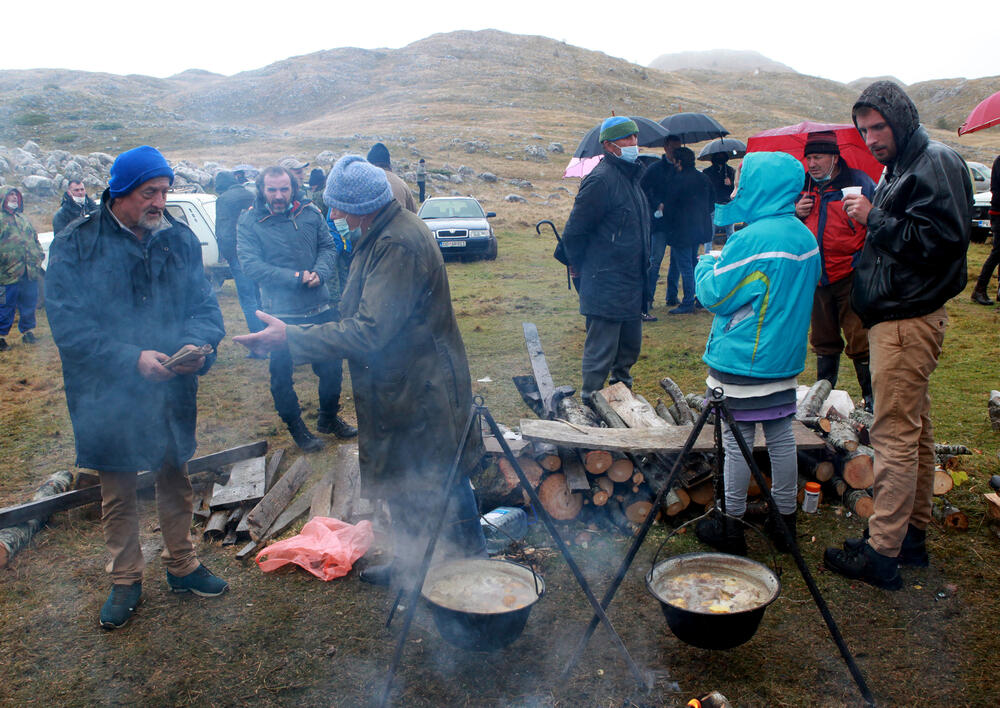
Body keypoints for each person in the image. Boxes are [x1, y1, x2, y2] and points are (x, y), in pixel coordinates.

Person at [233, 155, 486, 587]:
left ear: (363, 204)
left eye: (339, 207)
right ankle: (411, 565)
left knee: (441, 477)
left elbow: (369, 331)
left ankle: (473, 568)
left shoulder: (396, 243)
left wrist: (290, 338)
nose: (333, 215)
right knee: (406, 477)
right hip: (402, 380)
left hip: (421, 385)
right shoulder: (383, 230)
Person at [45, 146, 228, 630]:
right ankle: (125, 579)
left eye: (165, 191)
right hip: (109, 391)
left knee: (175, 474)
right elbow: (70, 328)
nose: (160, 202)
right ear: (121, 193)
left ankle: (183, 566)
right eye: (150, 192)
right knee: (119, 485)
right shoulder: (76, 244)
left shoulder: (179, 241)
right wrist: (130, 359)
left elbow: (205, 309)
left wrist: (199, 343)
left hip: (172, 385)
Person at [824, 81, 973, 590]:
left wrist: (876, 218)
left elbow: (944, 242)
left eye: (878, 126)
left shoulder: (934, 161)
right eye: (864, 129)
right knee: (917, 431)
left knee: (894, 436)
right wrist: (877, 219)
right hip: (898, 317)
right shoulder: (903, 165)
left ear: (901, 118)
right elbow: (911, 232)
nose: (871, 138)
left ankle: (882, 552)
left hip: (907, 321)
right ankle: (910, 537)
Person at [692, 152, 821, 555]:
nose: (735, 188)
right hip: (783, 361)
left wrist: (704, 263)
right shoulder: (804, 235)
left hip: (743, 360)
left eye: (742, 181)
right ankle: (785, 526)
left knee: (736, 443)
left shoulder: (751, 239)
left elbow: (716, 295)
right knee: (782, 439)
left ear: (760, 187)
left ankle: (732, 528)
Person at [237, 166, 356, 451]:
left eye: (284, 189)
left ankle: (328, 418)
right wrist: (295, 278)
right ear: (262, 190)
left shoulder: (311, 213)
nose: (278, 196)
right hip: (279, 313)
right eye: (272, 190)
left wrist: (320, 272)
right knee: (281, 375)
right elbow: (251, 266)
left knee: (332, 369)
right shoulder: (250, 221)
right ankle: (296, 428)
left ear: (293, 188)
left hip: (320, 305)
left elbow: (328, 247)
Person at [562, 117, 650, 403]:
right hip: (605, 281)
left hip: (631, 281)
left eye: (635, 138)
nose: (633, 144)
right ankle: (591, 403)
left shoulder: (632, 177)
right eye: (626, 139)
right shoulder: (601, 180)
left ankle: (621, 401)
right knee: (601, 352)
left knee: (627, 351)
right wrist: (575, 265)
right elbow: (575, 230)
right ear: (608, 145)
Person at [793, 131, 877, 409]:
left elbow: (880, 222)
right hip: (816, 277)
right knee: (823, 341)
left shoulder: (860, 183)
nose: (811, 163)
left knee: (860, 339)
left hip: (851, 275)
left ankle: (871, 399)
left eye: (817, 157)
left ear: (834, 157)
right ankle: (822, 400)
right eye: (808, 158)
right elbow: (788, 228)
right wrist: (795, 213)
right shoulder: (803, 187)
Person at [663, 147, 714, 315]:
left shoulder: (677, 180)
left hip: (681, 231)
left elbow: (669, 207)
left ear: (679, 161)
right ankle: (700, 298)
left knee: (685, 266)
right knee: (694, 265)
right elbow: (712, 203)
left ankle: (687, 302)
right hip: (700, 229)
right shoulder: (704, 178)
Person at [213, 170, 262, 336]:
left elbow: (223, 231)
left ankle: (258, 344)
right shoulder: (249, 194)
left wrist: (226, 254)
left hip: (237, 253)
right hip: (256, 253)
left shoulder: (223, 200)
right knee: (258, 296)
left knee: (247, 299)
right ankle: (267, 334)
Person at [640, 134, 682, 319]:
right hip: (659, 222)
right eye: (673, 148)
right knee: (655, 260)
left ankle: (671, 296)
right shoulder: (655, 169)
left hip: (678, 222)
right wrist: (657, 203)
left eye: (678, 148)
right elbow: (643, 189)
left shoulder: (682, 169)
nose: (675, 152)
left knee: (677, 261)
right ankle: (648, 299)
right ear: (665, 148)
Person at [0, 187, 44, 350]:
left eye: (16, 195)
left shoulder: (23, 219)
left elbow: (35, 239)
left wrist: (39, 256)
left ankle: (28, 333)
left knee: (29, 304)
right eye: (10, 195)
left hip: (28, 273)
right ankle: (1, 337)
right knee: (4, 306)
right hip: (6, 275)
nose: (14, 198)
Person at [971, 154, 1000, 305]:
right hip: (998, 213)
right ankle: (979, 289)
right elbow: (996, 189)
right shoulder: (999, 161)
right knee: (997, 252)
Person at [366, 142, 417, 213]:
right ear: (389, 165)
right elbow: (414, 216)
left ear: (369, 164)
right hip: (399, 223)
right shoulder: (402, 184)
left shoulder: (364, 184)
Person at [702, 152, 735, 245]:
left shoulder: (730, 170)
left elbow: (735, 188)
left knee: (730, 232)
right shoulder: (707, 172)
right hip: (713, 204)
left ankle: (731, 251)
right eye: (718, 156)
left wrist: (730, 183)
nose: (720, 158)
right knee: (710, 232)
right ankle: (708, 253)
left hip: (728, 204)